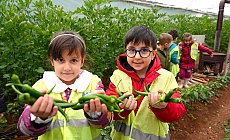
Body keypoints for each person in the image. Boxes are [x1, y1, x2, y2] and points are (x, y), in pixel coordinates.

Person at [17, 31, 113, 140]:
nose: (67, 67)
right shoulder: (40, 87)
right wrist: (38, 118)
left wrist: (96, 114)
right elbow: (25, 130)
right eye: (61, 60)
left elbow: (106, 122)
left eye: (73, 60)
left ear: (82, 61)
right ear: (52, 60)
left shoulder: (93, 83)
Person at [106, 25, 186, 140]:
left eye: (144, 50)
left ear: (153, 54)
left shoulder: (166, 77)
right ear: (126, 51)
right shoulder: (118, 76)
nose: (137, 57)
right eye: (132, 50)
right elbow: (110, 111)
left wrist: (163, 107)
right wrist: (122, 108)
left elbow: (177, 111)